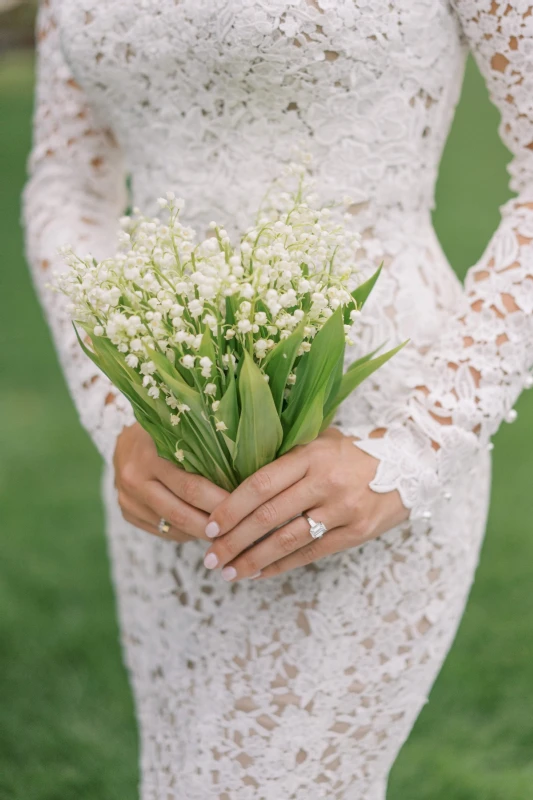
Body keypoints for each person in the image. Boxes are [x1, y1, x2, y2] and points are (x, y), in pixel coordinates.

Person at [22, 1, 533, 798]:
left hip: (366, 440)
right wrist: (117, 411)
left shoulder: (391, 452)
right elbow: (66, 189)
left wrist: (409, 454)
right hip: (169, 439)